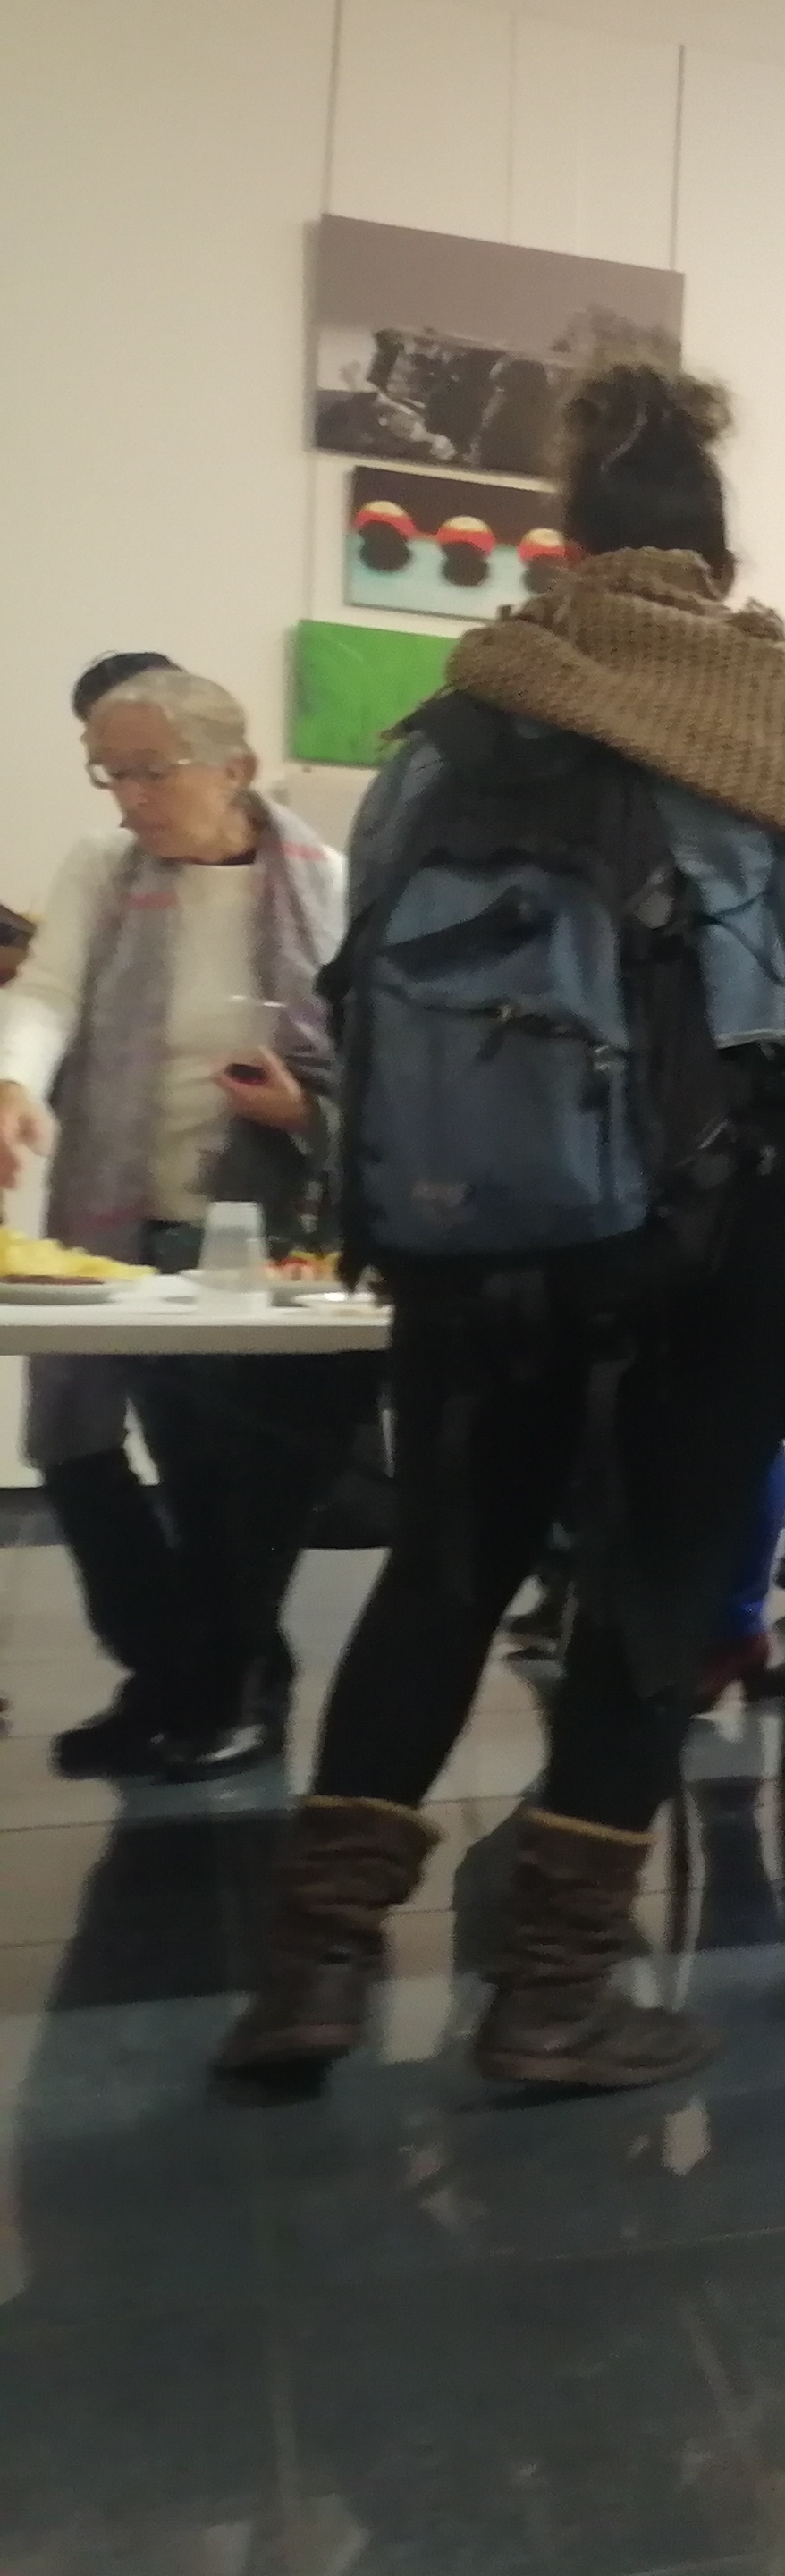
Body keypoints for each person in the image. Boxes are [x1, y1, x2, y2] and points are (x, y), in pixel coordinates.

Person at [214, 359, 785, 2090]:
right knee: (654, 1589)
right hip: (709, 1225)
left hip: (465, 1221)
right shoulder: (776, 723)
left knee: (445, 1571)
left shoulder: (454, 725)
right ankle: (549, 1997)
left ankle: (309, 1977)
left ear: (569, 543)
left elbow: (362, 987)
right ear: (716, 560)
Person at [0, 661, 363, 1783]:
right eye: (109, 773)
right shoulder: (103, 869)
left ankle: (220, 1692)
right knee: (94, 1452)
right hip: (128, 1218)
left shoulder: (326, 883)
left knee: (239, 1480)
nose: (128, 799)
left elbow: (375, 1046)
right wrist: (13, 1084)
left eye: (151, 772)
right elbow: (48, 993)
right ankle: (179, 1676)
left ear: (235, 768)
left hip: (276, 1228)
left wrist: (304, 1108)